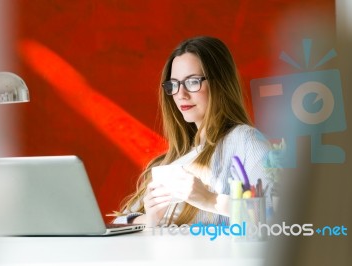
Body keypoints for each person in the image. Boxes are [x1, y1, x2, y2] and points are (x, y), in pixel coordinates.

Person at [113, 36, 271, 227]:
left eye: (192, 82)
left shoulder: (245, 141)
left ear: (220, 84)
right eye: (174, 84)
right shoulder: (170, 161)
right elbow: (117, 224)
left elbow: (280, 216)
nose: (181, 94)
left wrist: (211, 200)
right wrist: (149, 219)